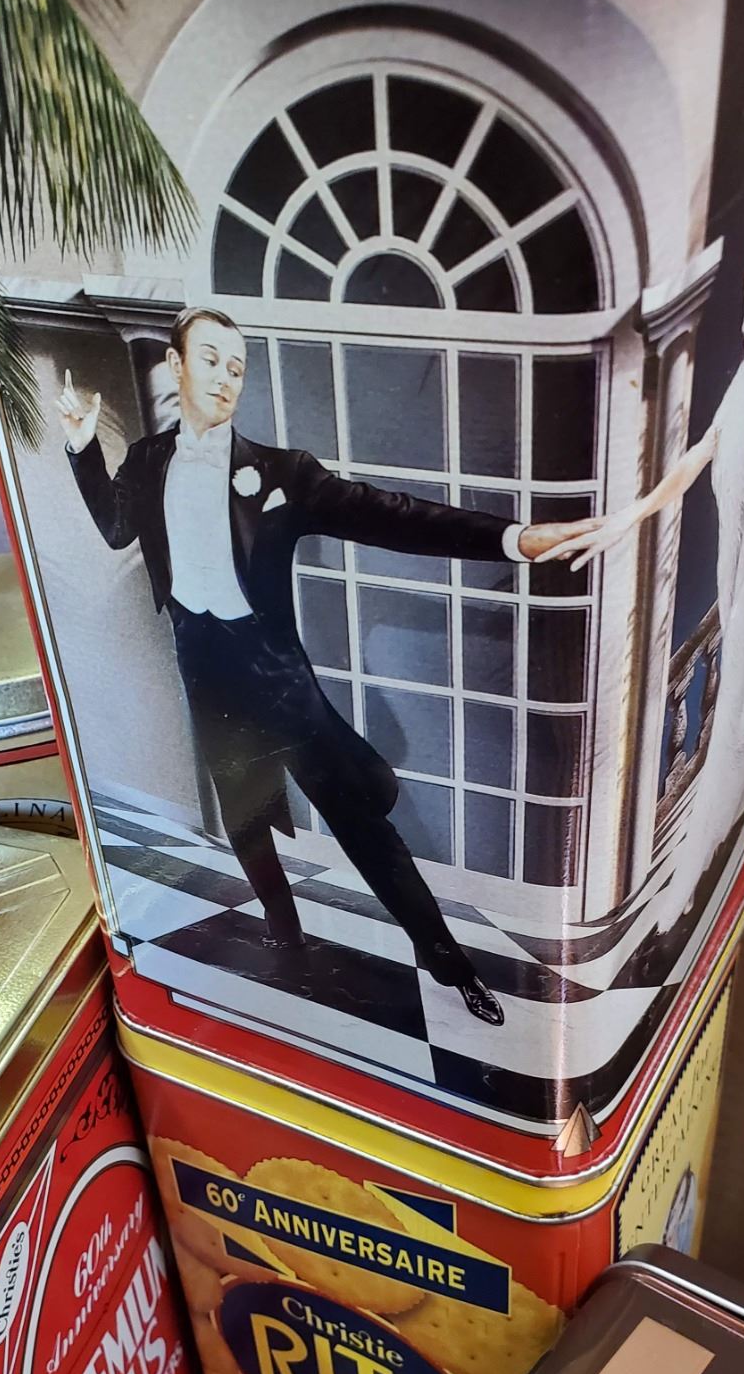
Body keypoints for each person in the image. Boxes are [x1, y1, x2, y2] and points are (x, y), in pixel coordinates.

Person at [57, 310, 606, 1026]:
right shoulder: (147, 460)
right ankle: (284, 933)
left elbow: (391, 514)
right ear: (177, 364)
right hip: (205, 670)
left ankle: (448, 962)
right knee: (246, 816)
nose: (225, 379)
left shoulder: (284, 472)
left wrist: (516, 539)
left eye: (237, 368)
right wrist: (81, 446)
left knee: (361, 824)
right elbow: (115, 529)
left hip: (278, 676)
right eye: (212, 360)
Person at [574, 133, 744, 934]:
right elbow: (682, 472)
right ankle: (699, 870)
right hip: (731, 559)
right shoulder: (734, 392)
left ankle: (695, 874)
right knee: (737, 698)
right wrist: (619, 520)